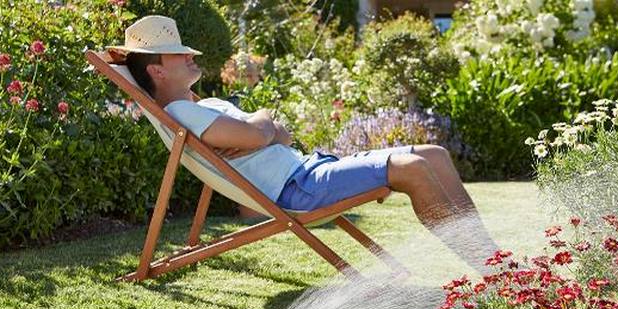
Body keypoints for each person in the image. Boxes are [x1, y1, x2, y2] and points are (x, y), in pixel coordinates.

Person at [107, 15, 499, 274]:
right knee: (413, 168)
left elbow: (278, 135)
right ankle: (493, 272)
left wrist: (262, 132)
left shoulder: (202, 107)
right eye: (179, 53)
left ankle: (493, 261)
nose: (192, 55)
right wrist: (262, 124)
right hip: (300, 189)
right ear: (157, 69)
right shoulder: (183, 113)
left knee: (434, 154)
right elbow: (263, 132)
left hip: (308, 170)